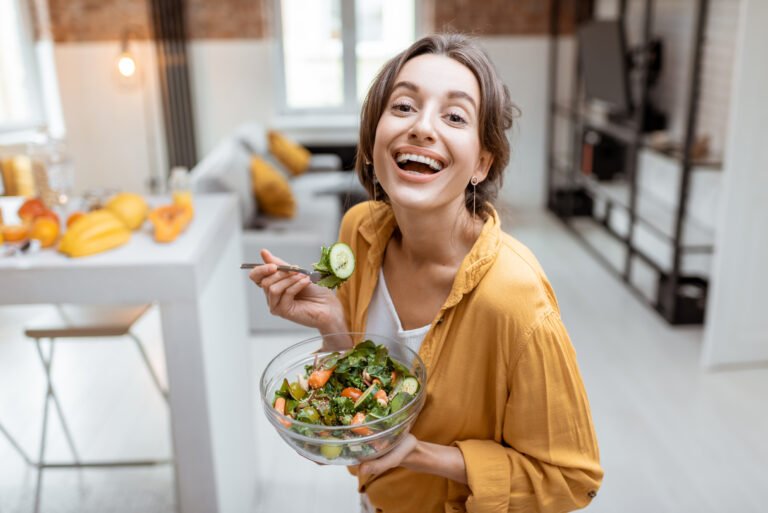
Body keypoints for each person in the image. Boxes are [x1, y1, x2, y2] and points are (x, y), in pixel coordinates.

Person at [249, 33, 603, 513]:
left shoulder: (515, 298)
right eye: (403, 107)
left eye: (454, 116)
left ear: (481, 162)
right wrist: (332, 323)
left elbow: (572, 479)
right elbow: (363, 402)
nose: (422, 127)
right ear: (373, 143)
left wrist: (423, 455)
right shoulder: (360, 230)